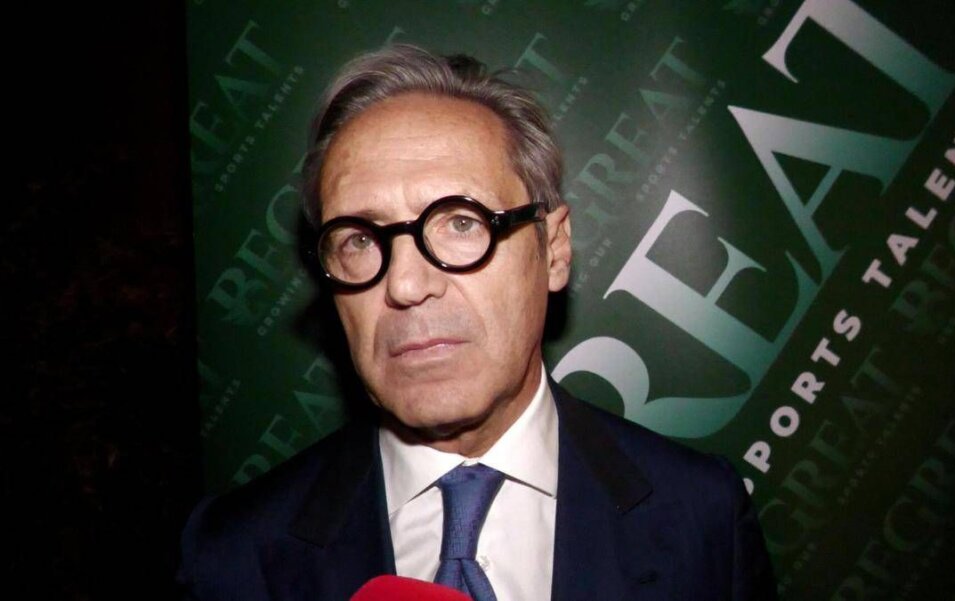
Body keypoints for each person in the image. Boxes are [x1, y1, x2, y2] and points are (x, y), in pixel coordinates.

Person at [178, 44, 777, 601]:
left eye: (462, 223)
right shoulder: (231, 554)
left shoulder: (702, 516)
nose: (406, 285)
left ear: (555, 249)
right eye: (359, 239)